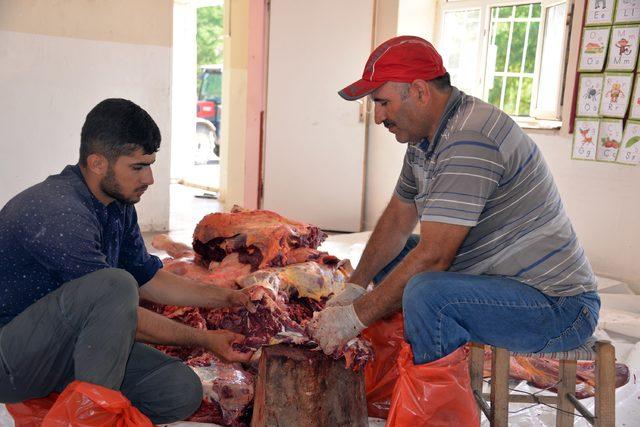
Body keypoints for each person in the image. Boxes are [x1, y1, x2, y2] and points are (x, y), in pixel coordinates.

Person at [309, 36, 599, 365]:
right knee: (396, 258)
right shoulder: (426, 139)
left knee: (428, 293)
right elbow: (397, 220)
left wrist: (353, 318)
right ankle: (414, 361)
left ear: (419, 91)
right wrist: (355, 287)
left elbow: (434, 258)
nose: (377, 117)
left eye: (383, 103)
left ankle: (438, 402)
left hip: (558, 309)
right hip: (501, 282)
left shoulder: (470, 138)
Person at [0, 98, 253, 424]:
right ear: (97, 163)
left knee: (179, 389)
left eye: (150, 164)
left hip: (59, 352)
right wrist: (204, 339)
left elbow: (148, 278)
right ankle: (88, 420)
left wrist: (230, 297)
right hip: (9, 359)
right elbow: (114, 305)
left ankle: (69, 407)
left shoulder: (117, 205)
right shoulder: (58, 210)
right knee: (115, 285)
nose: (149, 178)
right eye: (137, 167)